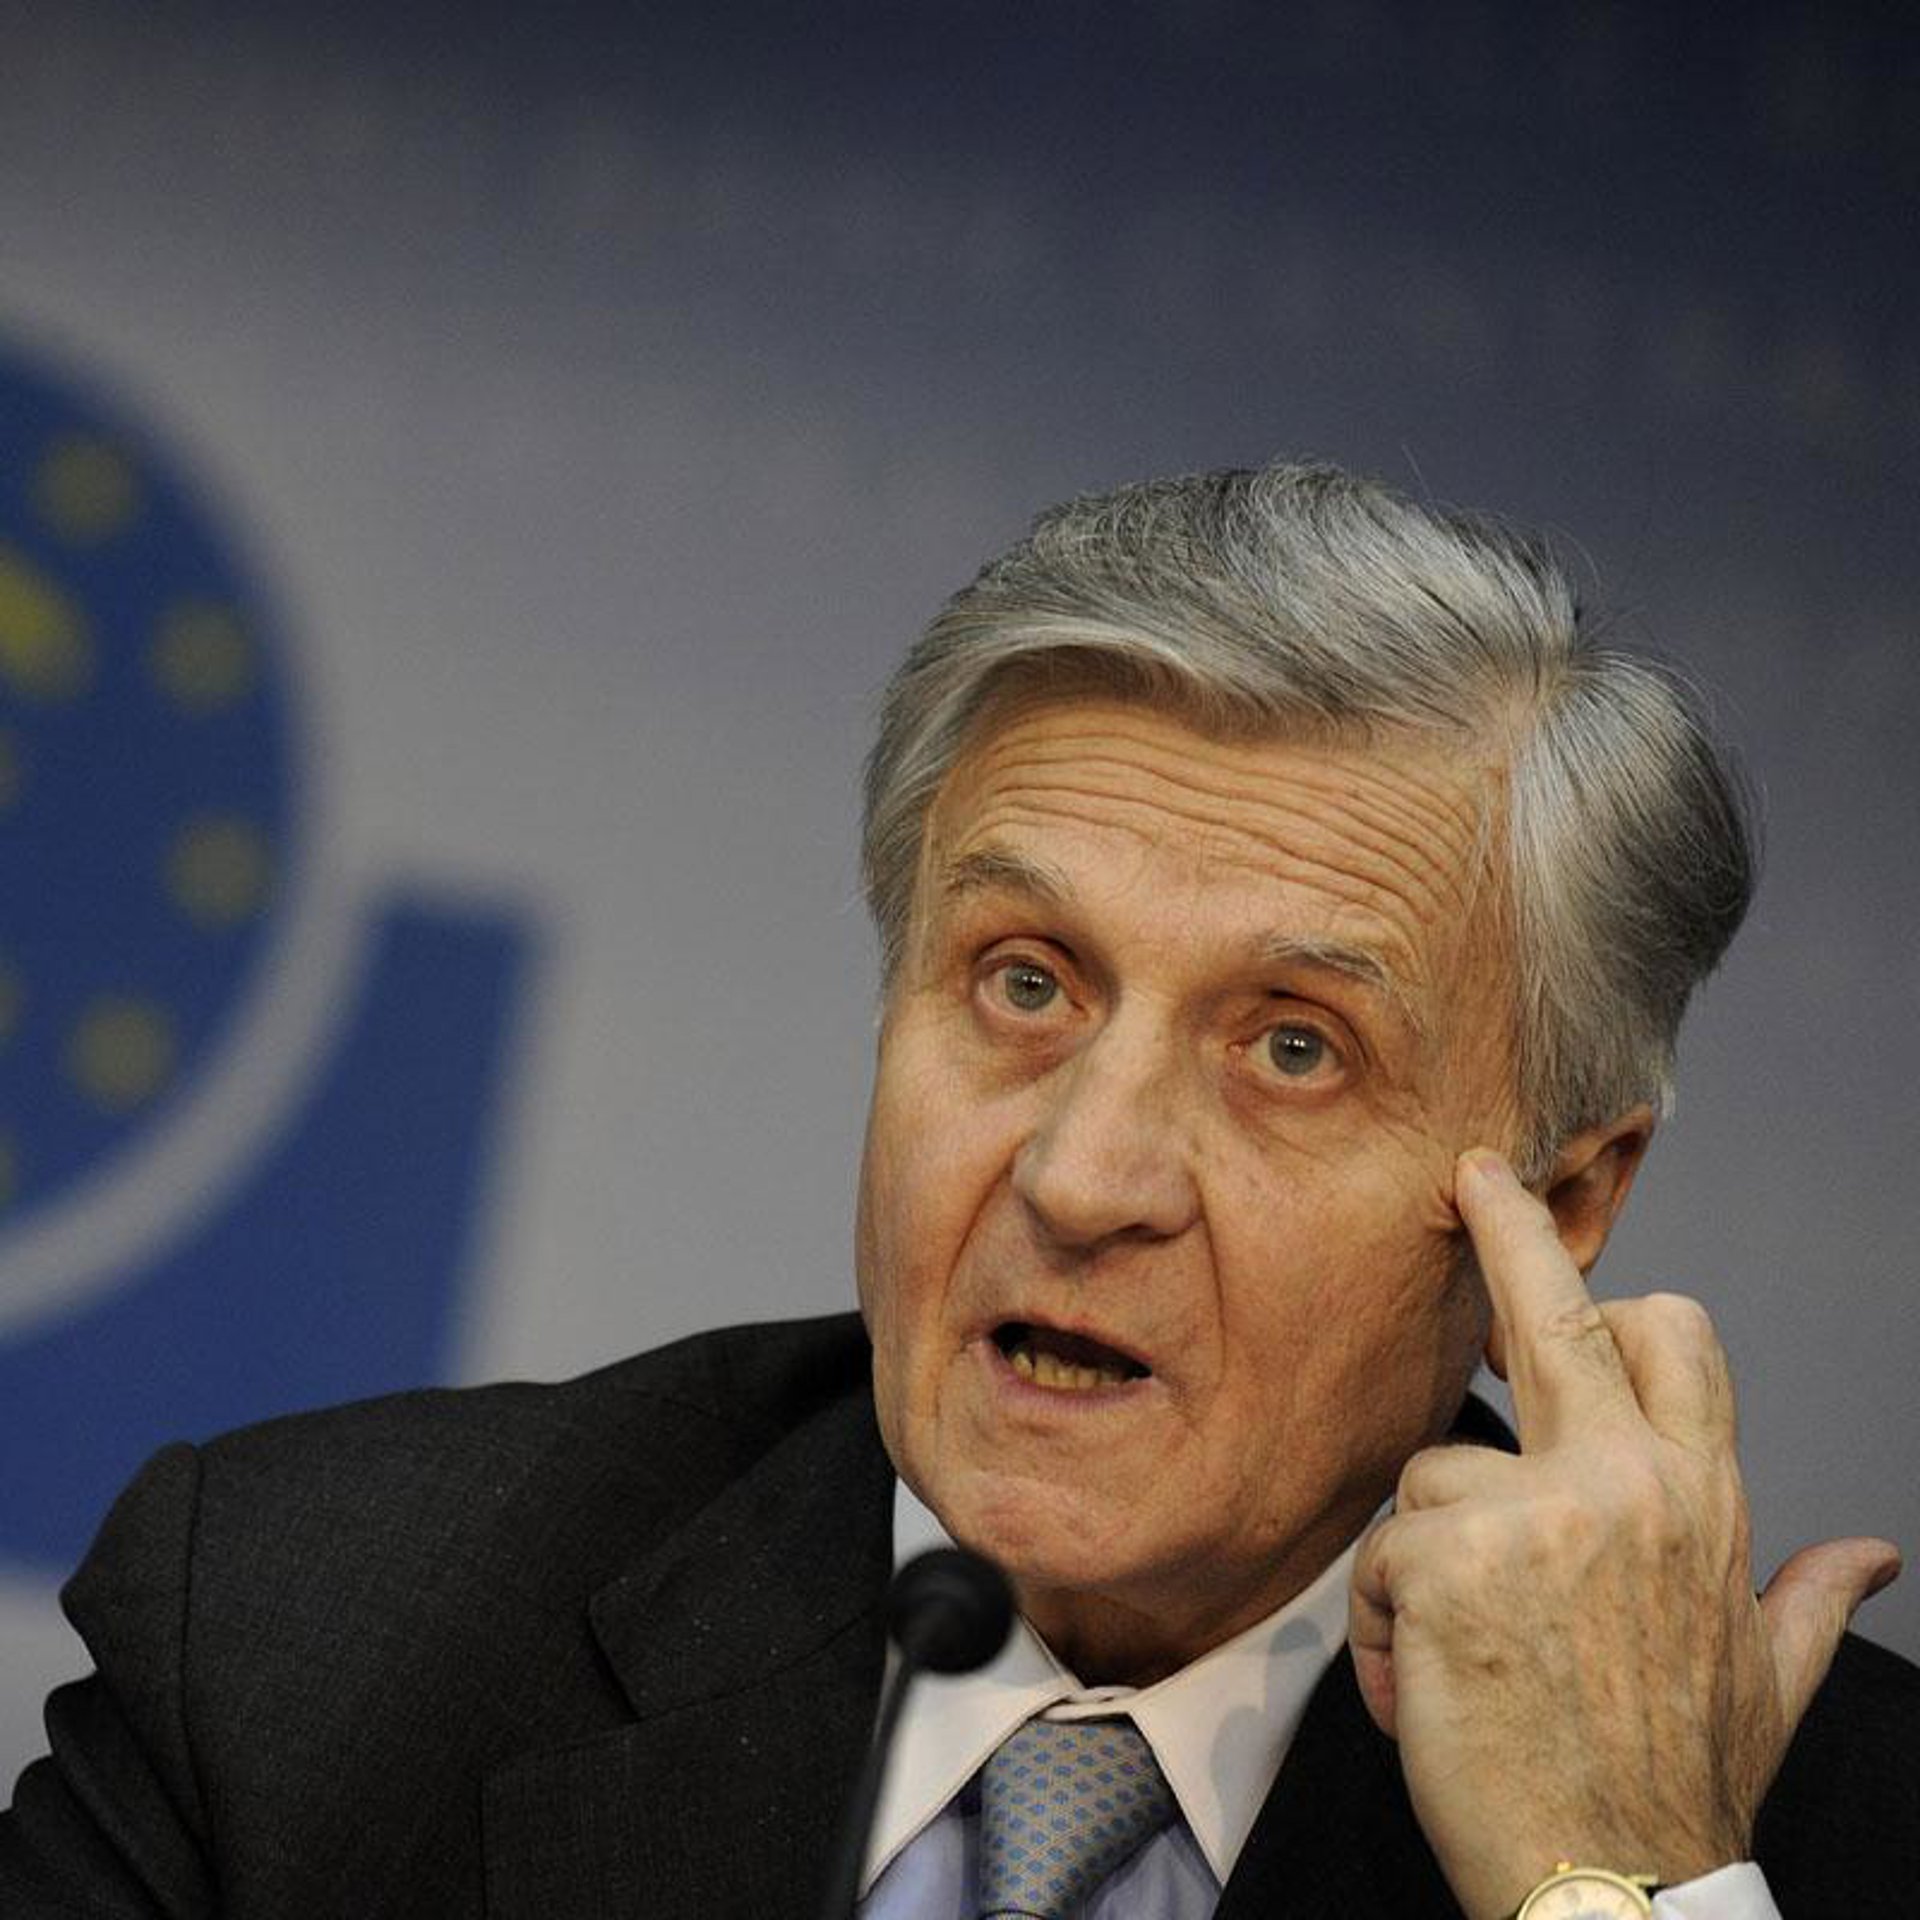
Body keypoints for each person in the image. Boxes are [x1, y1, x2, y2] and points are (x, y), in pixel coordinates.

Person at [2, 461, 1913, 1919]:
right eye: (1026, 984)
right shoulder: (308, 1645)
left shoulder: (1827, 1834)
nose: (1083, 1177)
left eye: (1293, 1047)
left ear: (1559, 1210)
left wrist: (1608, 1885)